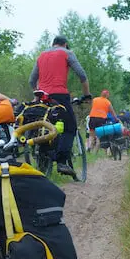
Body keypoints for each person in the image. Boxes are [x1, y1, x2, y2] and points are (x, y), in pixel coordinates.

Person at [29, 36, 91, 176]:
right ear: (65, 44)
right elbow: (82, 75)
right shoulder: (67, 53)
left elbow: (32, 80)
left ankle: (43, 157)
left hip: (42, 96)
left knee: (45, 123)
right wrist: (87, 95)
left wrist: (36, 95)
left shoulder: (42, 55)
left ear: (53, 44)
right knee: (70, 127)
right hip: (59, 95)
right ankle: (62, 162)